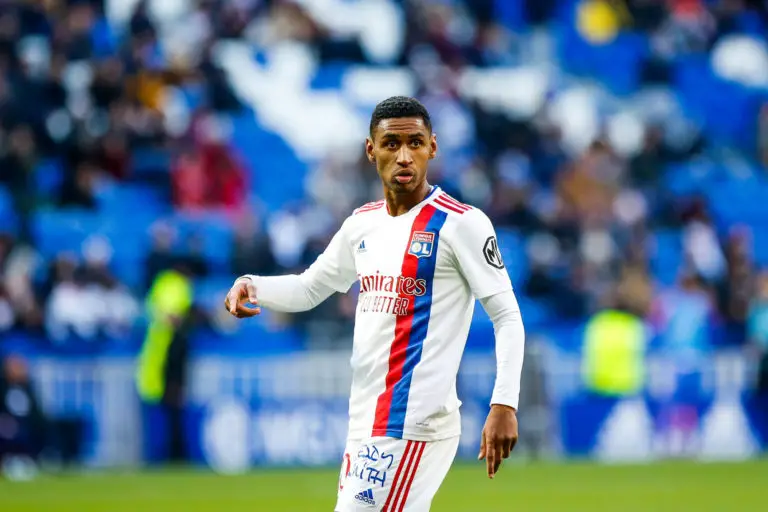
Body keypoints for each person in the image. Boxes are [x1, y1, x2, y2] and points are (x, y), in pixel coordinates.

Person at [224, 96, 525, 511]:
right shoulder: (362, 224)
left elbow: (506, 315)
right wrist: (252, 285)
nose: (404, 156)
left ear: (433, 147)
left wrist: (504, 402)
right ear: (371, 150)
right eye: (391, 144)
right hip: (365, 418)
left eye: (415, 143)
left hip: (411, 420)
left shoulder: (461, 224)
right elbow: (310, 288)